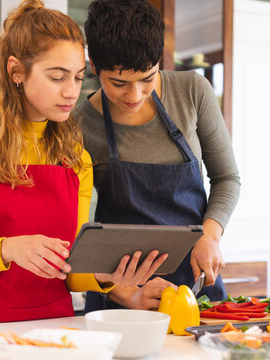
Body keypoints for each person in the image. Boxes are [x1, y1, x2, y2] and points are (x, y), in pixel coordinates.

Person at [0, 0, 166, 326]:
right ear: (16, 72)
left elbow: (71, 273)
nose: (71, 92)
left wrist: (105, 274)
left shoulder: (76, 157)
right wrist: (5, 250)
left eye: (78, 78)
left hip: (55, 331)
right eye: (57, 77)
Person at [77, 0, 241, 312]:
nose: (135, 95)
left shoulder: (193, 91)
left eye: (147, 78)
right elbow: (71, 227)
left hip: (194, 283)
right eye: (119, 83)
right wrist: (121, 292)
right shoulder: (79, 124)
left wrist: (211, 236)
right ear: (94, 66)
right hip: (120, 293)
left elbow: (227, 178)